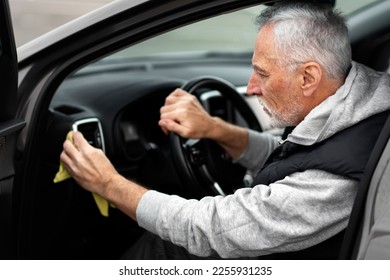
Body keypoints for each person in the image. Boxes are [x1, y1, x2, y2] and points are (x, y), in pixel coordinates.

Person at [60, 2, 390, 259]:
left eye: (262, 73)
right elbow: (294, 155)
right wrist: (216, 130)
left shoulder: (334, 180)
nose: (251, 87)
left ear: (308, 78)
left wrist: (108, 184)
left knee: (165, 249)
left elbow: (211, 229)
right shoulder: (359, 103)